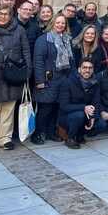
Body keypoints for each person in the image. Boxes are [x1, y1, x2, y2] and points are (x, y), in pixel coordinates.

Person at [0, 5, 31, 151]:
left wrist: (28, 71)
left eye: (6, 14)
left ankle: (5, 137)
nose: (3, 16)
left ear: (11, 16)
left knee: (9, 107)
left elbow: (26, 51)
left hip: (13, 72)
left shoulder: (19, 30)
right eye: (0, 14)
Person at [33, 14, 75, 145]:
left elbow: (71, 60)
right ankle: (38, 133)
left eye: (63, 23)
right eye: (58, 22)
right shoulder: (43, 39)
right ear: (52, 23)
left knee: (56, 108)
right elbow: (38, 61)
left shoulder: (67, 39)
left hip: (63, 79)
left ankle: (51, 132)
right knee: (45, 108)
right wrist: (39, 81)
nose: (60, 25)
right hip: (48, 79)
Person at [58, 59, 100, 148]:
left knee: (100, 123)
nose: (87, 70)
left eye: (90, 68)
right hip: (67, 116)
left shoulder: (95, 83)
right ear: (79, 69)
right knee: (79, 115)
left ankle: (80, 134)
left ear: (93, 70)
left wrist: (93, 117)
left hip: (85, 113)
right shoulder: (68, 82)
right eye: (84, 67)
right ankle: (70, 138)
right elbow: (64, 106)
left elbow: (96, 102)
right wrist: (84, 107)